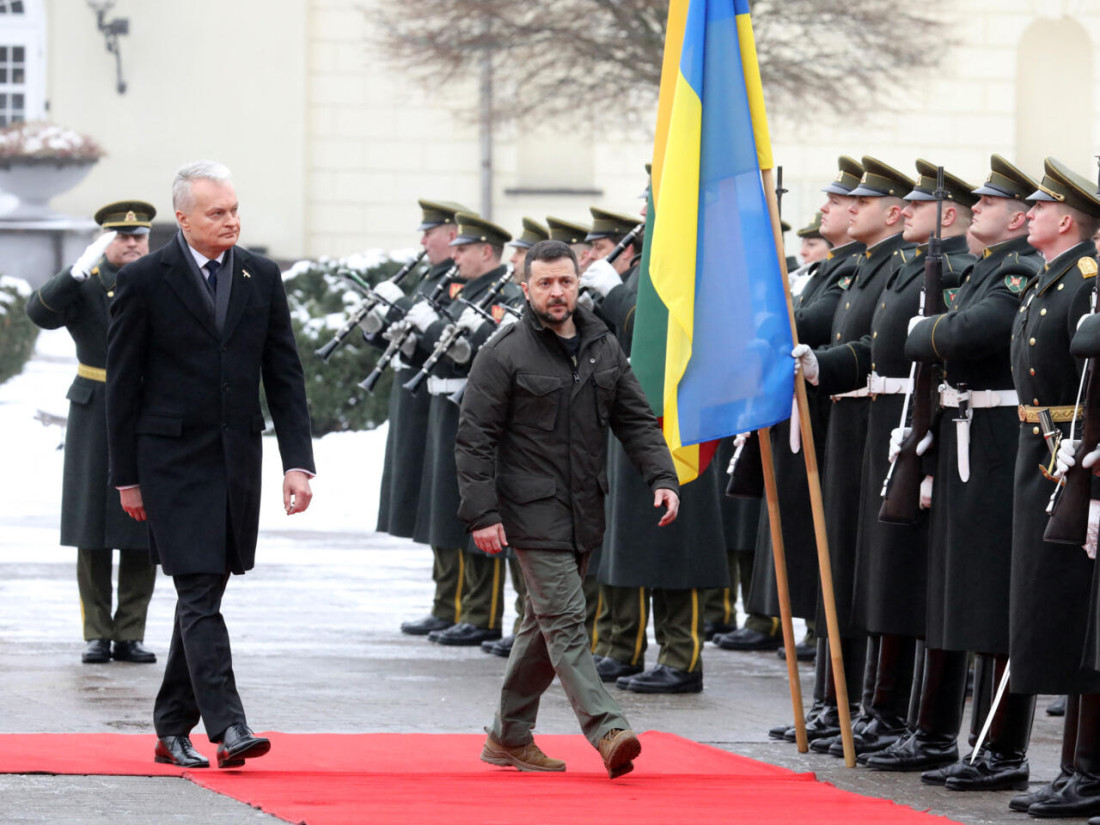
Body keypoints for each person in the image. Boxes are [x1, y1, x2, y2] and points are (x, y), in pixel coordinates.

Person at [106, 161, 316, 770]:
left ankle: (171, 727)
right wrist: (127, 478)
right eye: (216, 213)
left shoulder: (260, 274)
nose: (231, 221)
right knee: (198, 589)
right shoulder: (146, 279)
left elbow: (284, 373)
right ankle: (229, 726)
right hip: (168, 462)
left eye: (233, 210)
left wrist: (297, 463)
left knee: (203, 592)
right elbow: (123, 387)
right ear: (183, 219)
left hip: (235, 461)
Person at [455, 239, 680, 779]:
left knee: (542, 624)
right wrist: (483, 515)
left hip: (583, 509)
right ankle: (607, 728)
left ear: (577, 282)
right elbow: (474, 439)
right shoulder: (503, 351)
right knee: (567, 620)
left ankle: (508, 736)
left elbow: (633, 417)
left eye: (565, 281)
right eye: (545, 283)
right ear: (525, 287)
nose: (557, 292)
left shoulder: (602, 343)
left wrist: (663, 476)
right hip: (530, 512)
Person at [870, 155, 1041, 787]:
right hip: (961, 437)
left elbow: (972, 332)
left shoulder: (1019, 271)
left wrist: (926, 328)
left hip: (994, 442)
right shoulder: (986, 270)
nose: (979, 212)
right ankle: (937, 732)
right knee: (951, 591)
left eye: (992, 205)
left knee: (991, 598)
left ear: (1018, 217)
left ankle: (1001, 748)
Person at [792, 156, 915, 757]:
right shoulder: (868, 265)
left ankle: (866, 702)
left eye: (859, 201)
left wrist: (828, 363)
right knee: (838, 558)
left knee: (864, 563)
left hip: (874, 417)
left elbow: (871, 345)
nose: (842, 208)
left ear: (890, 212)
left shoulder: (898, 264)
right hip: (847, 416)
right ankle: (835, 699)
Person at [999, 157, 1100, 818]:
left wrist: (1079, 447)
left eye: (1036, 208)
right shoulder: (1052, 278)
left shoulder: (1083, 280)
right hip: (1043, 451)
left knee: (1069, 612)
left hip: (1069, 455)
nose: (1024, 215)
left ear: (1065, 217)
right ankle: (1071, 766)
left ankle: (1082, 768)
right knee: (1046, 607)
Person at [26, 201, 159, 665]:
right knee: (92, 525)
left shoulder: (163, 280)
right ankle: (97, 632)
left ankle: (130, 631)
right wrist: (75, 271)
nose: (131, 243)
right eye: (121, 237)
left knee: (144, 525)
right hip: (95, 407)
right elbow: (39, 312)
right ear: (105, 242)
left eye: (138, 236)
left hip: (146, 409)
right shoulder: (85, 284)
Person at [410, 213, 524, 647]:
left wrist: (438, 331)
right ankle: (455, 605)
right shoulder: (467, 291)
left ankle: (480, 612)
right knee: (449, 510)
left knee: (480, 514)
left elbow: (484, 353)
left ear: (485, 252)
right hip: (449, 407)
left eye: (464, 247)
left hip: (478, 412)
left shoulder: (501, 294)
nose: (454, 254)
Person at [381, 199, 471, 637]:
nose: (422, 241)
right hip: (426, 398)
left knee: (449, 504)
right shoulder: (434, 276)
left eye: (429, 232)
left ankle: (457, 605)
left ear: (452, 235)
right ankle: (445, 601)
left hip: (449, 401)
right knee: (435, 502)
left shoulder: (457, 282)